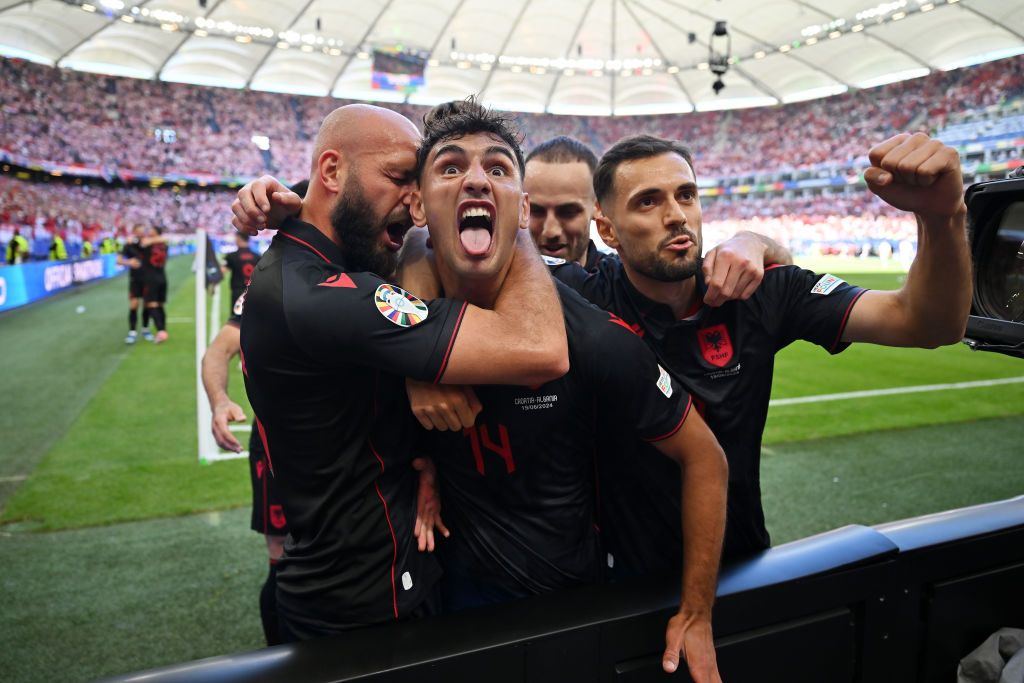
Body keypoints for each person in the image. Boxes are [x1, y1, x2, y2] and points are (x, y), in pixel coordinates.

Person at [402, 99, 727, 682]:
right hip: (442, 602)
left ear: (519, 209)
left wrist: (697, 610)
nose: (476, 178)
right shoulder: (388, 313)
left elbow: (705, 457)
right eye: (451, 168)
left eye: (498, 168)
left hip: (569, 603)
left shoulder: (591, 335)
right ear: (419, 206)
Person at [548, 132, 971, 572]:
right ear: (608, 230)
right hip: (619, 582)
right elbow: (487, 271)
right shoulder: (584, 299)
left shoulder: (762, 291)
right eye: (648, 202)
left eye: (686, 195)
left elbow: (926, 323)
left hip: (742, 566)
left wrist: (942, 218)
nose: (676, 216)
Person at [234, 103, 569, 642]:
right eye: (399, 179)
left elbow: (380, 236)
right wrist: (517, 222)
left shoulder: (319, 260)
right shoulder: (317, 294)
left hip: (375, 579)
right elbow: (538, 346)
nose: (416, 207)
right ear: (332, 173)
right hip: (361, 611)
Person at [201, 294, 288, 646]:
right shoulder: (266, 286)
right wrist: (220, 400)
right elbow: (219, 350)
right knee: (282, 558)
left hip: (357, 440)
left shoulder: (370, 262)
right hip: (277, 444)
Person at [524, 136, 609, 270]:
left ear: (597, 208)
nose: (550, 232)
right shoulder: (492, 284)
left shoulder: (623, 285)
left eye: (568, 213)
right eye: (536, 211)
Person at [139, 226, 169, 344]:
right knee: (159, 304)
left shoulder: (148, 243)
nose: (148, 231)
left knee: (152, 304)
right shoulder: (163, 244)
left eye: (150, 230)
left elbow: (144, 242)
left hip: (151, 277)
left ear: (156, 232)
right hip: (161, 277)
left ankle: (161, 331)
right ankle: (163, 330)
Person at [117, 224, 146, 344]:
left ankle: (146, 329)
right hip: (135, 279)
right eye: (138, 231)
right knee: (134, 304)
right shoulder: (128, 245)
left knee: (148, 304)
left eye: (143, 231)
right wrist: (129, 262)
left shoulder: (147, 243)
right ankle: (132, 332)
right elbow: (118, 260)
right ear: (134, 231)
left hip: (148, 279)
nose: (141, 233)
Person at [222, 232, 260, 307]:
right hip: (253, 292)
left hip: (238, 292)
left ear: (239, 238)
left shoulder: (232, 256)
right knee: (252, 317)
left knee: (236, 317)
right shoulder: (257, 256)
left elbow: (221, 271)